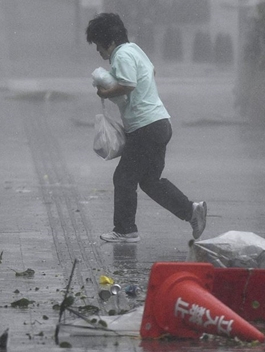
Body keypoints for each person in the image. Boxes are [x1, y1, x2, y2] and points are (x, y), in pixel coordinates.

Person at [86, 13, 207, 243]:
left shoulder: (121, 55)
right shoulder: (134, 50)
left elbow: (128, 84)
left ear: (109, 41)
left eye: (99, 45)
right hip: (159, 123)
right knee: (150, 181)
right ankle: (192, 211)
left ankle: (125, 230)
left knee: (123, 178)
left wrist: (105, 92)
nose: (98, 51)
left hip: (146, 128)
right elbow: (150, 72)